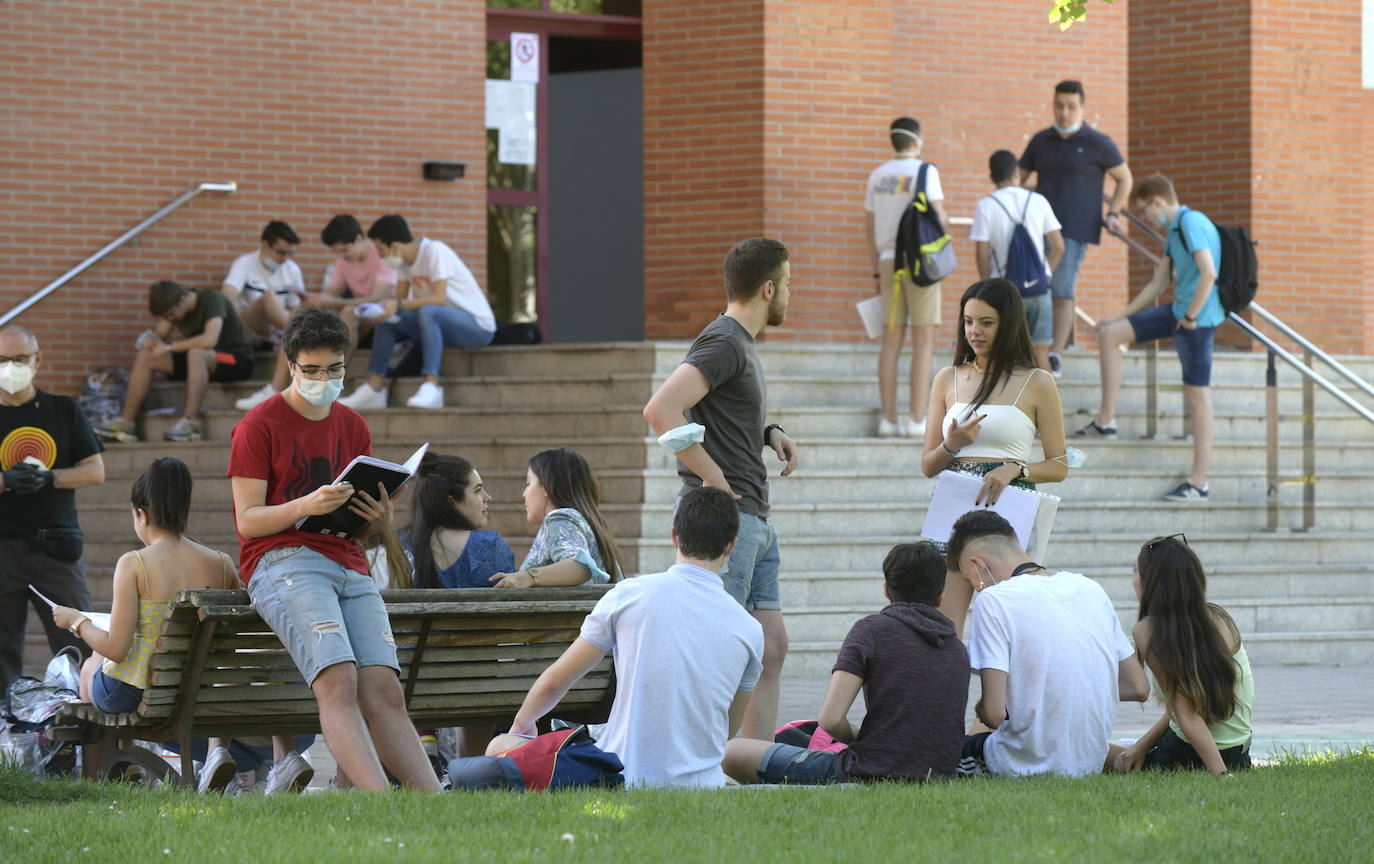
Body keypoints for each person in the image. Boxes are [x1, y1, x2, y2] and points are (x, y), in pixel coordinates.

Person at [227, 307, 440, 792]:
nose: (324, 379)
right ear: (291, 364)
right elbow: (248, 520)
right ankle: (380, 802)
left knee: (384, 688)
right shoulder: (257, 425)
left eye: (335, 369)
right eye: (312, 370)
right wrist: (306, 502)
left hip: (347, 559)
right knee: (339, 681)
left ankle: (432, 803)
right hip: (281, 562)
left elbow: (353, 527)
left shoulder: (352, 425)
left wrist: (379, 522)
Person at [494, 486, 763, 788]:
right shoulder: (750, 629)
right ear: (732, 545)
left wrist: (521, 726)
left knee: (499, 746)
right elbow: (727, 728)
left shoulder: (629, 595)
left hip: (623, 774)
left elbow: (556, 681)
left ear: (675, 536)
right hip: (702, 781)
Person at [642, 237, 799, 740]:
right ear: (769, 288)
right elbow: (660, 410)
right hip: (729, 519)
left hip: (755, 519)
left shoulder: (739, 344)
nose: (790, 295)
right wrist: (712, 478)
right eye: (789, 285)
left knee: (770, 644)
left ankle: (752, 760)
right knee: (723, 647)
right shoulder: (725, 341)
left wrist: (768, 433)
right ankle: (707, 762)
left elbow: (719, 413)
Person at [723, 541, 969, 785]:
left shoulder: (871, 631)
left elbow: (830, 720)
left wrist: (857, 737)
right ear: (941, 595)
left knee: (730, 751)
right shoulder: (957, 649)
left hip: (868, 769)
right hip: (938, 771)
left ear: (886, 589)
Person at [946, 510, 1149, 778]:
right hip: (1089, 759)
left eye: (971, 580)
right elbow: (1138, 687)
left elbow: (994, 714)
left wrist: (982, 707)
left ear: (978, 564)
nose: (977, 588)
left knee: (945, 752)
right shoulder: (1090, 588)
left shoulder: (994, 599)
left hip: (1019, 762)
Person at [921, 278, 1069, 636]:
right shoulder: (947, 378)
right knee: (944, 626)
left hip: (1009, 507)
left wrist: (1016, 469)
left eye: (986, 323)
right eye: (968, 321)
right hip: (953, 506)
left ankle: (1001, 694)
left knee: (1009, 624)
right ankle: (948, 692)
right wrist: (952, 444)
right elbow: (927, 465)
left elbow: (1059, 465)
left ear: (1008, 324)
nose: (975, 331)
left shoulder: (1038, 381)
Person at [1076, 174, 1222, 502]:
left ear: (1157, 202)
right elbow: (1158, 284)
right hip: (1179, 312)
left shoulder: (1191, 222)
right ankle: (1106, 420)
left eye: (1144, 212)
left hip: (1196, 319)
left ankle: (1199, 483)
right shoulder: (1174, 230)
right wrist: (1120, 316)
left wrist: (1191, 316)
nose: (1146, 219)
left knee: (1198, 396)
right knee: (1111, 334)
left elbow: (1209, 272)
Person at [0, 325, 105, 696]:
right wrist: (5, 481)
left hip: (55, 546)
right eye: (1, 360)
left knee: (80, 645)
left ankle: (86, 738)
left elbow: (96, 471)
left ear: (37, 360)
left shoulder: (63, 410)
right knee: (2, 654)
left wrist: (50, 479)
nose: (9, 368)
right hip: (3, 548)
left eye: (18, 359)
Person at [1110, 535, 1254, 775]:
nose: (1133, 581)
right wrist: (1141, 746)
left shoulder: (1148, 631)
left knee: (1101, 753)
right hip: (1238, 752)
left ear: (1151, 583)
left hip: (1191, 752)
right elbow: (1187, 706)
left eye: (1135, 573)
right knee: (1129, 750)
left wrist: (1221, 775)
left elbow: (1187, 714)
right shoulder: (1219, 619)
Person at [1017, 80, 1133, 377]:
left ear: (1082, 108)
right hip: (1037, 228)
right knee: (1031, 286)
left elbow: (1124, 178)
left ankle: (1054, 353)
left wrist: (1114, 212)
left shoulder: (1098, 142)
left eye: (1071, 107)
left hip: (1075, 228)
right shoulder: (1041, 140)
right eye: (1059, 106)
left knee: (1061, 287)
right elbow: (1019, 177)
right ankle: (1031, 349)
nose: (1064, 112)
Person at [236, 215, 398, 412]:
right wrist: (313, 300)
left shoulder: (381, 253)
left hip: (382, 319)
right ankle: (276, 388)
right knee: (300, 316)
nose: (342, 256)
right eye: (338, 252)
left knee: (347, 311)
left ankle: (331, 382)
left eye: (344, 250)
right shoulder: (343, 261)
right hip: (355, 320)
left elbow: (377, 297)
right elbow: (331, 294)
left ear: (358, 239)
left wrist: (331, 301)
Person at [339, 214, 495, 410]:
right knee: (388, 319)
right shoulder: (404, 263)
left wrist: (399, 305)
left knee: (429, 312)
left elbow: (438, 298)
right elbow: (400, 303)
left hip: (477, 327)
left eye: (380, 249)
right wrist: (383, 309)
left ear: (395, 246)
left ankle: (431, 385)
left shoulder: (435, 251)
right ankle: (374, 388)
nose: (379, 256)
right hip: (440, 324)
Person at [865, 117, 949, 438]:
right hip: (920, 264)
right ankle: (917, 419)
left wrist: (876, 267)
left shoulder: (877, 177)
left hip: (888, 261)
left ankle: (888, 419)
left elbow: (868, 226)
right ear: (918, 140)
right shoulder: (926, 172)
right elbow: (940, 216)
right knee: (923, 340)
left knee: (891, 342)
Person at [95, 281, 255, 443]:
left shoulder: (212, 299)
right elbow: (159, 337)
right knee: (147, 356)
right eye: (166, 317)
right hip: (201, 362)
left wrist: (169, 347)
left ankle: (190, 423)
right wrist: (149, 340)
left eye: (171, 315)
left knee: (197, 353)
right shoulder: (176, 308)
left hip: (235, 359)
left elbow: (209, 340)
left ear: (183, 300)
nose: (169, 319)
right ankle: (126, 423)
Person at [970, 150, 1065, 372]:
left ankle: (1001, 405)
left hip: (1003, 292)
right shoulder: (1038, 201)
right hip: (1039, 291)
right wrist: (1045, 274)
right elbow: (1059, 246)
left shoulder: (986, 206)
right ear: (1016, 172)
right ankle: (1049, 406)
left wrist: (987, 284)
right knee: (1040, 353)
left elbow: (981, 252)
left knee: (1000, 355)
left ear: (992, 177)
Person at [489, 448, 623, 587]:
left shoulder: (559, 519)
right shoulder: (589, 523)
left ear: (546, 486)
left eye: (529, 483)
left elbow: (581, 567)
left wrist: (528, 577)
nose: (524, 493)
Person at [405, 452, 513, 589]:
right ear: (451, 501)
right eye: (478, 490)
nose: (487, 497)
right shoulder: (489, 545)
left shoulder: (399, 544)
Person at [221, 220, 305, 346]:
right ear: (265, 245)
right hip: (251, 324)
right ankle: (294, 338)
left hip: (279, 325)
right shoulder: (244, 263)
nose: (286, 259)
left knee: (300, 311)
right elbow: (227, 294)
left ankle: (286, 337)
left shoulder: (293, 269)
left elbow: (296, 308)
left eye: (290, 253)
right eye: (281, 252)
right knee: (267, 297)